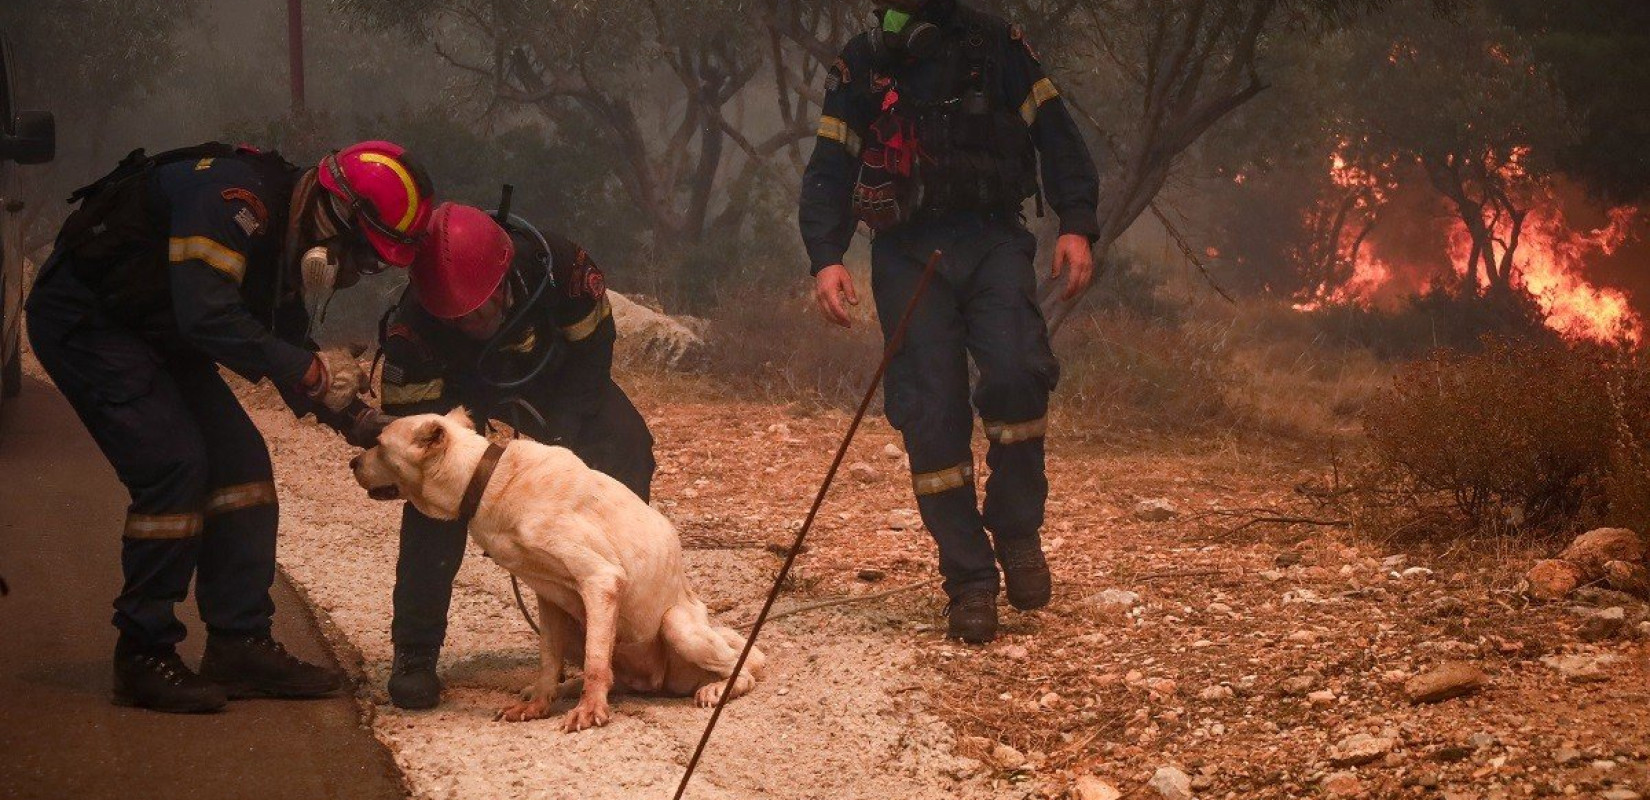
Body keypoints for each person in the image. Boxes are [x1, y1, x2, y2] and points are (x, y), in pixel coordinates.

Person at [26, 140, 434, 712]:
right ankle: (143, 652)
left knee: (242, 465)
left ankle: (239, 644)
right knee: (174, 465)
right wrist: (307, 370)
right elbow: (209, 315)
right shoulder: (232, 202)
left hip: (156, 329)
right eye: (364, 257)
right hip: (91, 321)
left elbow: (282, 339)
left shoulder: (287, 234)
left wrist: (359, 419)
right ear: (336, 217)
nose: (355, 274)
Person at [798, 0, 1099, 643]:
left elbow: (1056, 133)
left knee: (1018, 373)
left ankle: (1016, 530)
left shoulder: (995, 43)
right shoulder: (865, 61)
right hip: (907, 251)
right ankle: (969, 579)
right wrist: (826, 256)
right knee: (931, 411)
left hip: (993, 239)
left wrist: (1076, 222)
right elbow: (830, 165)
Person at [376, 202, 656, 709]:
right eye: (458, 318)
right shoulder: (412, 331)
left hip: (559, 380)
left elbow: (594, 354)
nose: (473, 322)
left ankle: (619, 613)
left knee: (625, 441)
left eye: (481, 308)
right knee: (431, 498)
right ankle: (415, 651)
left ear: (504, 277)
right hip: (460, 394)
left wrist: (562, 443)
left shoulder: (562, 269)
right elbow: (406, 438)